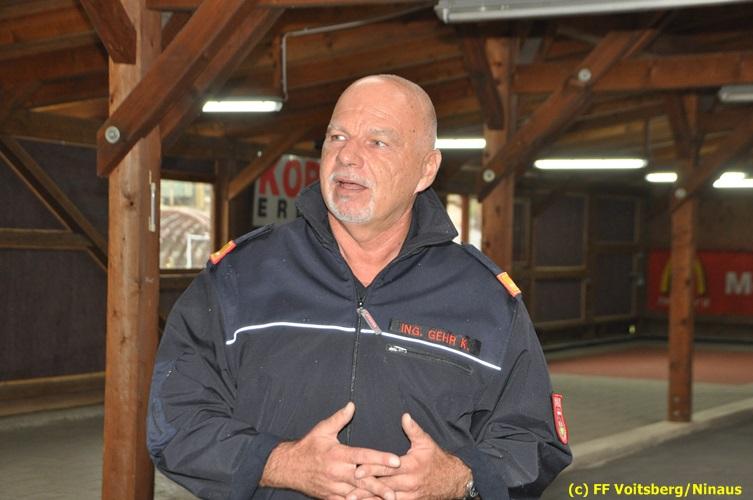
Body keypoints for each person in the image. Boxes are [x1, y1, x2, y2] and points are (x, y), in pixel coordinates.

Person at [147, 74, 572, 500]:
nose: (348, 156)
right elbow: (174, 420)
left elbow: (535, 442)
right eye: (337, 137)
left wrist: (459, 477)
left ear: (426, 169)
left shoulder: (485, 298)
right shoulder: (241, 276)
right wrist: (279, 463)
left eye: (377, 142)